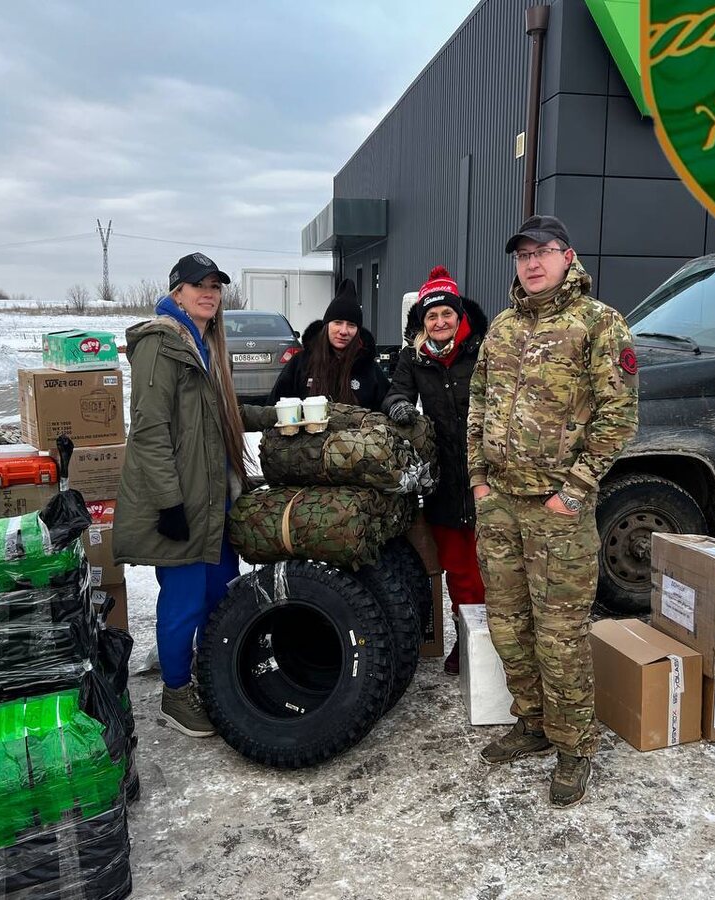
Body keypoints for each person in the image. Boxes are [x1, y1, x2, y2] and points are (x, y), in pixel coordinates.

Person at [467, 215, 638, 808]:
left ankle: (574, 746)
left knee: (560, 636)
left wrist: (575, 490)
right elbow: (478, 402)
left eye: (543, 252)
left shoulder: (599, 323)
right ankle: (534, 722)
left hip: (557, 510)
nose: (532, 263)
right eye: (523, 255)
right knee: (509, 626)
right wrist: (478, 479)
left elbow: (619, 418)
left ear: (568, 257)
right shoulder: (502, 326)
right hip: (499, 505)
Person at [113, 252, 275, 738]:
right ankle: (176, 692)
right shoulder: (161, 344)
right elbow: (149, 431)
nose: (210, 293)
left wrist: (279, 416)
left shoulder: (205, 343)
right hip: (182, 501)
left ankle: (210, 674)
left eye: (216, 286)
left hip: (214, 499)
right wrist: (169, 503)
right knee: (184, 601)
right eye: (199, 285)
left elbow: (224, 413)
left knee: (220, 593)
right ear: (177, 292)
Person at [382, 266, 489, 675]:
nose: (440, 322)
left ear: (459, 315)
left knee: (495, 566)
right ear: (423, 321)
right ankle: (469, 640)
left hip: (486, 476)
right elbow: (396, 392)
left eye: (447, 313)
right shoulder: (414, 358)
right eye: (432, 316)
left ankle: (502, 642)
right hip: (444, 480)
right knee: (458, 569)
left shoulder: (482, 350)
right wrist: (399, 407)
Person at [269, 278, 389, 410]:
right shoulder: (300, 364)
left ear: (357, 331)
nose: (343, 331)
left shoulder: (369, 368)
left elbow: (387, 404)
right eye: (338, 322)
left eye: (351, 325)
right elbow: (275, 406)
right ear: (326, 325)